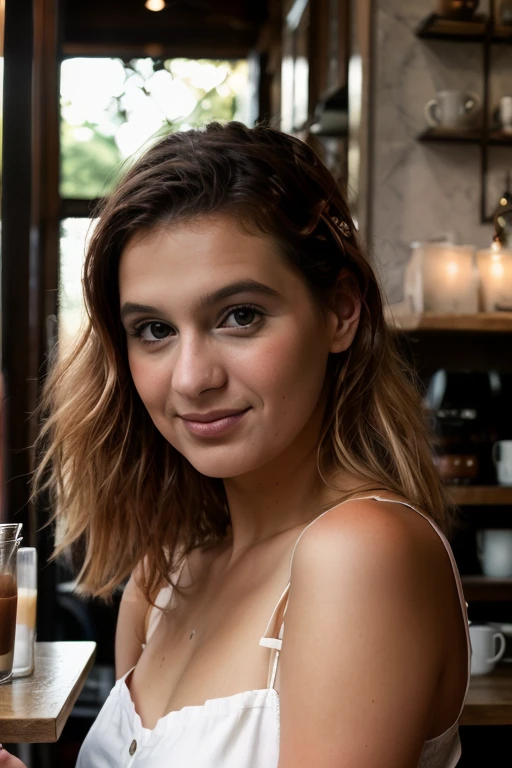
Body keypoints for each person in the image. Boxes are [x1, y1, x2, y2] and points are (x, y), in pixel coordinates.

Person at [1, 121, 470, 768]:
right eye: (155, 329)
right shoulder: (162, 575)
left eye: (239, 315)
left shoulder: (361, 552)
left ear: (340, 311)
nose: (193, 378)